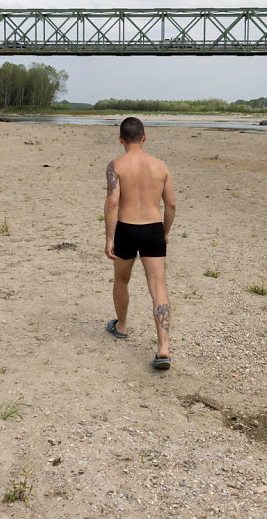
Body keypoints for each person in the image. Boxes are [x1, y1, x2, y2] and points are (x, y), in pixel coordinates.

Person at [103, 117, 176, 370]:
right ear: (144, 137)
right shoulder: (160, 166)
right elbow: (171, 205)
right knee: (158, 287)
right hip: (153, 229)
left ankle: (121, 326)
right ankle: (163, 347)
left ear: (121, 139)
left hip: (126, 228)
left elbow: (113, 203)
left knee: (122, 279)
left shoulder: (116, 166)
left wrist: (109, 237)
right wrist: (165, 231)